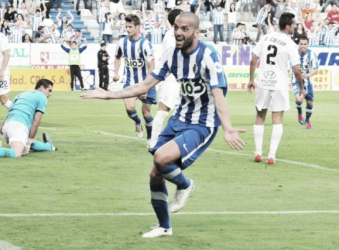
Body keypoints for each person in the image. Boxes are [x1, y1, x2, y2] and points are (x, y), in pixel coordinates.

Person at [80, 12, 246, 238]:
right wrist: (108, 95)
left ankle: (185, 185)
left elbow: (218, 95)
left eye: (185, 29)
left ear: (196, 33)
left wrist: (227, 127)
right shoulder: (170, 55)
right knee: (155, 173)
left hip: (202, 124)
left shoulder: (208, 55)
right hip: (180, 118)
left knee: (160, 158)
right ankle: (164, 226)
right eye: (176, 27)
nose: (178, 32)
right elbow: (144, 85)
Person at [247, 12, 305, 165]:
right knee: (277, 119)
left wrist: (251, 79)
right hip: (279, 84)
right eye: (293, 24)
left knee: (260, 116)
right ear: (287, 26)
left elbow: (254, 59)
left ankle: (258, 152)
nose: (295, 26)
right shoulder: (290, 44)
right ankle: (271, 155)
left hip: (264, 82)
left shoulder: (265, 37)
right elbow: (297, 70)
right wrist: (301, 88)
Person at [0, 79, 56, 159]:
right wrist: (28, 143)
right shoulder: (42, 97)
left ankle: (49, 146)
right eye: (49, 90)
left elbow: (9, 115)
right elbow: (36, 123)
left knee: (24, 141)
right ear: (41, 88)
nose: (50, 94)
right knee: (17, 153)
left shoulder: (21, 95)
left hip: (7, 126)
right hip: (19, 127)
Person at [112, 14, 156, 145]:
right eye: (126, 26)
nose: (128, 29)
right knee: (130, 108)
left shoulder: (145, 44)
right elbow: (117, 58)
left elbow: (152, 66)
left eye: (130, 27)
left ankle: (150, 139)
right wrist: (116, 72)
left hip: (145, 82)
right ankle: (137, 122)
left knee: (147, 113)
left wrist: (146, 86)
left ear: (138, 27)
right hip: (130, 82)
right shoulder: (122, 42)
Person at [149, 8, 182, 149]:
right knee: (163, 110)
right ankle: (153, 142)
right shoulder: (171, 36)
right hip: (170, 78)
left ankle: (175, 141)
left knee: (181, 111)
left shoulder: (174, 35)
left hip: (177, 79)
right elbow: (172, 58)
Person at [291, 36, 318, 130]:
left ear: (308, 44)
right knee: (299, 99)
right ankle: (299, 114)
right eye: (301, 44)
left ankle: (307, 120)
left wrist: (307, 75)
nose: (303, 46)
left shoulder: (312, 54)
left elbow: (316, 70)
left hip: (307, 82)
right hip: (296, 81)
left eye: (305, 44)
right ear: (298, 44)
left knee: (310, 103)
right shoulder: (293, 53)